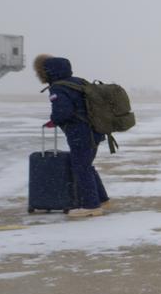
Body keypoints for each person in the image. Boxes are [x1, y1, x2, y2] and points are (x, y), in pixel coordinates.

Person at [34, 54, 109, 216]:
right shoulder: (78, 82)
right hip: (95, 130)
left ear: (48, 72)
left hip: (80, 134)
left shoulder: (58, 87)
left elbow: (63, 112)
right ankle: (102, 199)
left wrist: (53, 120)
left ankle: (91, 206)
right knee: (86, 165)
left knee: (81, 167)